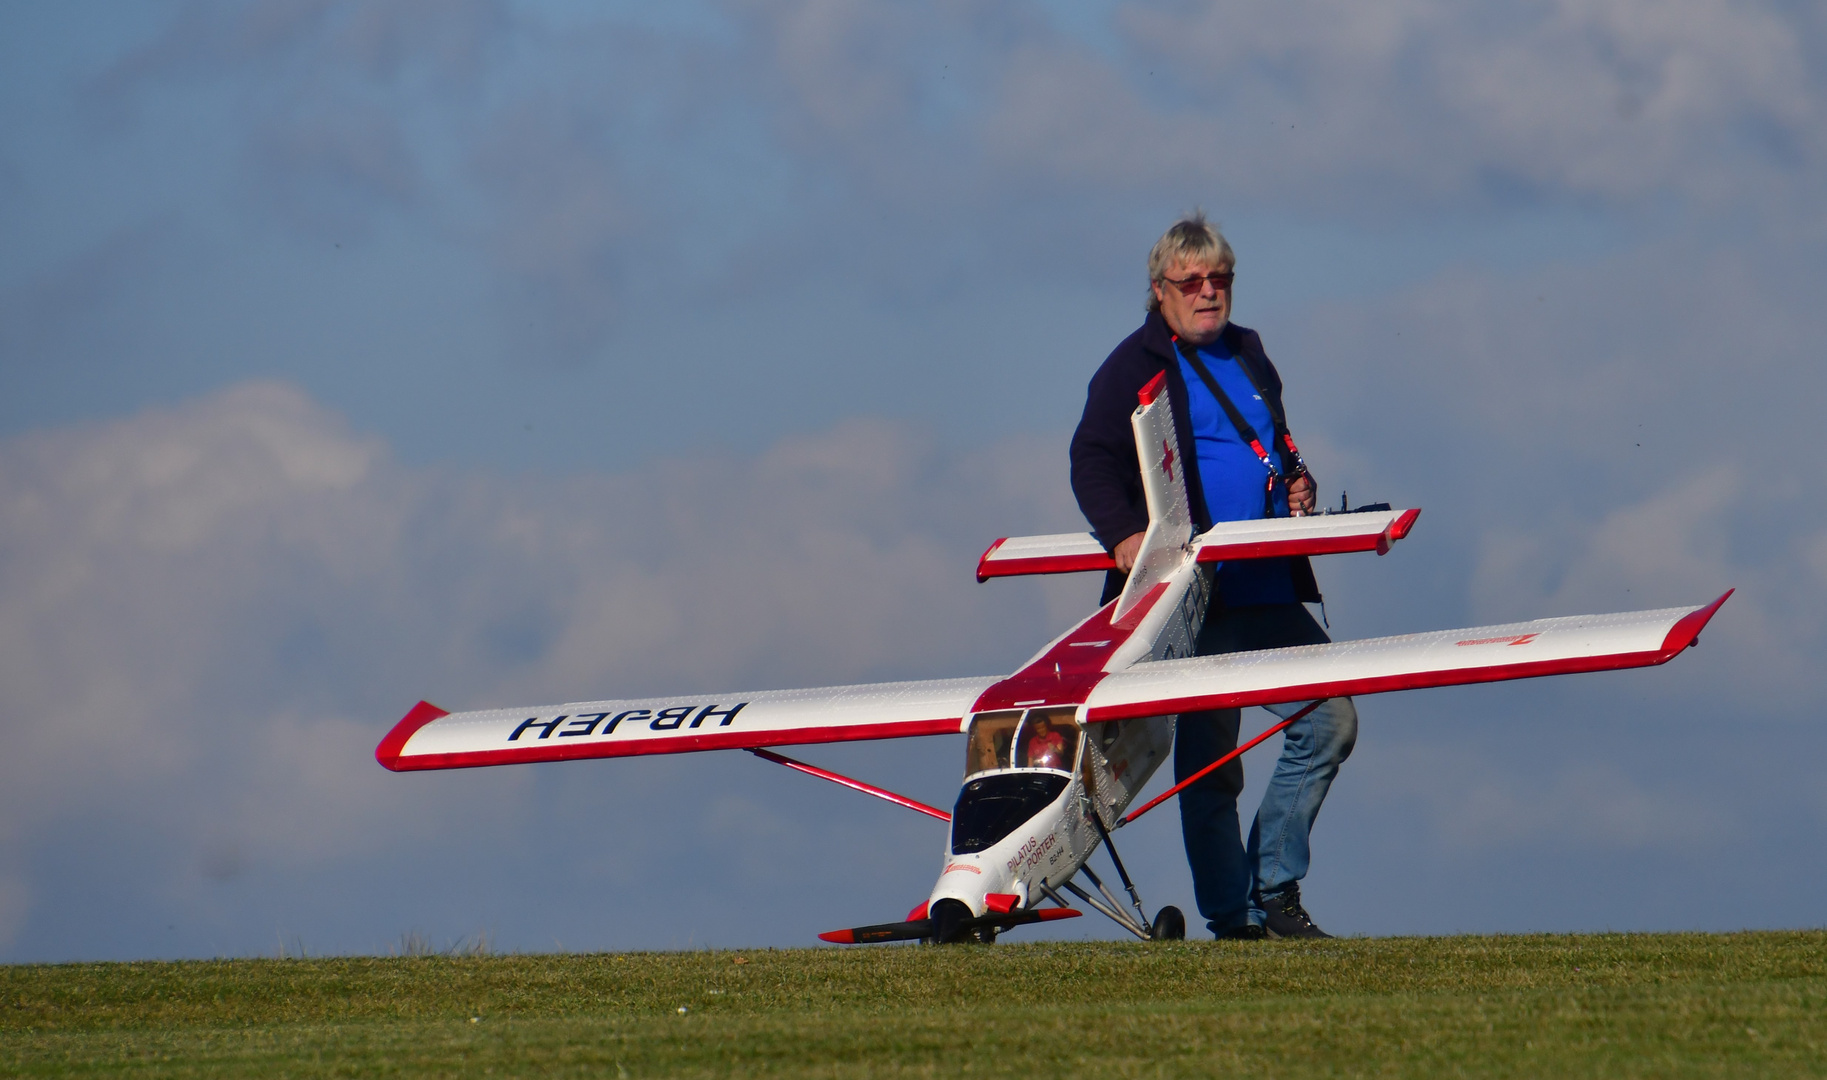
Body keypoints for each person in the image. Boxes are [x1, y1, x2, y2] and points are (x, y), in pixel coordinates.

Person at [1068, 212, 1358, 940]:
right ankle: (1234, 919)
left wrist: (1297, 483)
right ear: (1159, 290)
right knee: (1210, 765)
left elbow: (1272, 447)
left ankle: (1272, 889)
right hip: (1189, 600)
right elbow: (1090, 458)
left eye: (1218, 279)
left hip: (1264, 585)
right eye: (1190, 281)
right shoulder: (1132, 365)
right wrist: (1123, 534)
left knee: (1329, 721)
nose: (1207, 293)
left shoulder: (1249, 351)